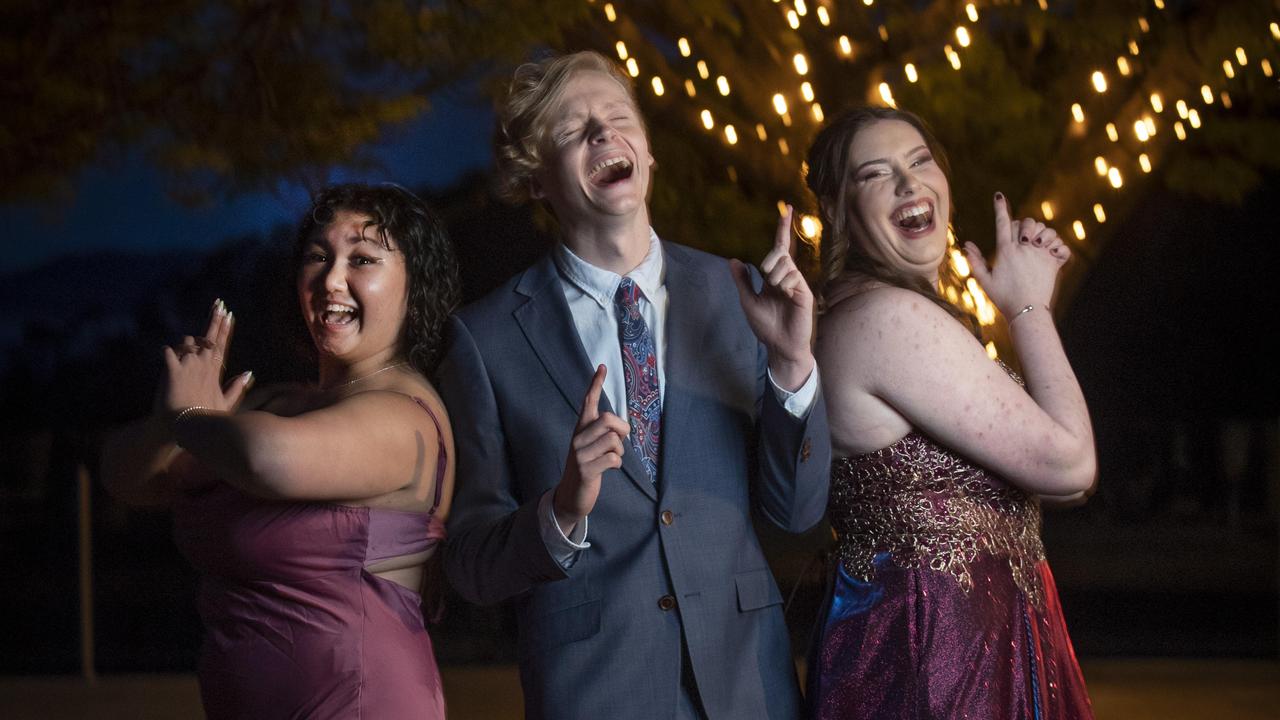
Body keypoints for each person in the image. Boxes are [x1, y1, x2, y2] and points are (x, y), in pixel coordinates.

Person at [438, 51, 831, 720]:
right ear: (535, 180)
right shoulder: (486, 338)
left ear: (646, 153)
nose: (603, 135)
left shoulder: (742, 298)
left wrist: (792, 365)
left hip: (748, 688)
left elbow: (797, 512)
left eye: (619, 119)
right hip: (594, 692)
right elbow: (472, 566)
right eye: (573, 130)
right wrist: (561, 510)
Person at [101, 183, 461, 719]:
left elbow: (267, 461)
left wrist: (189, 419)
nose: (331, 278)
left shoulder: (406, 416)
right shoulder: (278, 400)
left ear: (415, 285)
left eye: (363, 258)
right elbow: (124, 477)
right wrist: (167, 424)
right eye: (318, 256)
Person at [803, 105, 1097, 719]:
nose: (910, 184)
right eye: (876, 174)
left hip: (968, 655)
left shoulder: (886, 312)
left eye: (919, 162)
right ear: (837, 213)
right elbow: (1069, 466)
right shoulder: (888, 318)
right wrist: (1029, 310)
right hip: (935, 669)